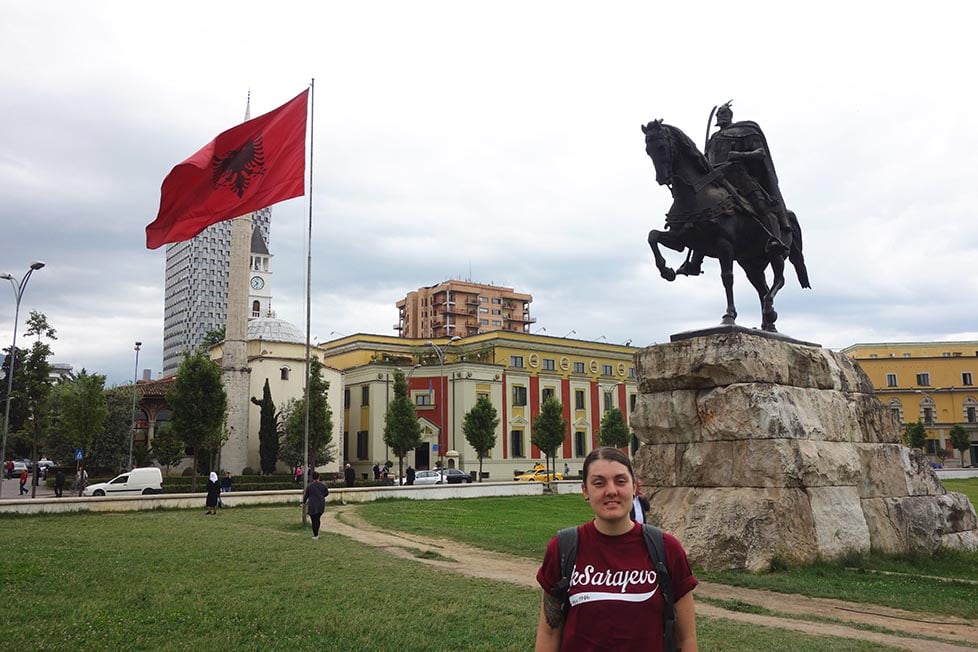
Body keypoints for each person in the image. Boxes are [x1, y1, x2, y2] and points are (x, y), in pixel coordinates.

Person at [535, 446, 698, 651]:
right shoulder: (562, 549)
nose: (611, 490)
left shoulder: (666, 549)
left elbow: (686, 638)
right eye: (599, 483)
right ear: (585, 491)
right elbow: (549, 633)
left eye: (621, 481)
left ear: (634, 488)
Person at [678, 100, 790, 277]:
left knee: (761, 205)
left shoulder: (744, 131)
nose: (721, 116)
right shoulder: (713, 139)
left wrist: (737, 155)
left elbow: (759, 153)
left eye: (724, 113)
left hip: (738, 176)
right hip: (715, 180)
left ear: (730, 116)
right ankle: (694, 263)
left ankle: (774, 240)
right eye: (719, 114)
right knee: (703, 213)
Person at [303, 471, 329, 540]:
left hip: (312, 504)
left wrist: (304, 502)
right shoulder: (323, 485)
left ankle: (315, 534)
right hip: (321, 503)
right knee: (317, 518)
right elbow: (326, 493)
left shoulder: (309, 486)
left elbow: (306, 496)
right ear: (319, 477)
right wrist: (321, 496)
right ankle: (316, 533)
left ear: (312, 478)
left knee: (313, 519)